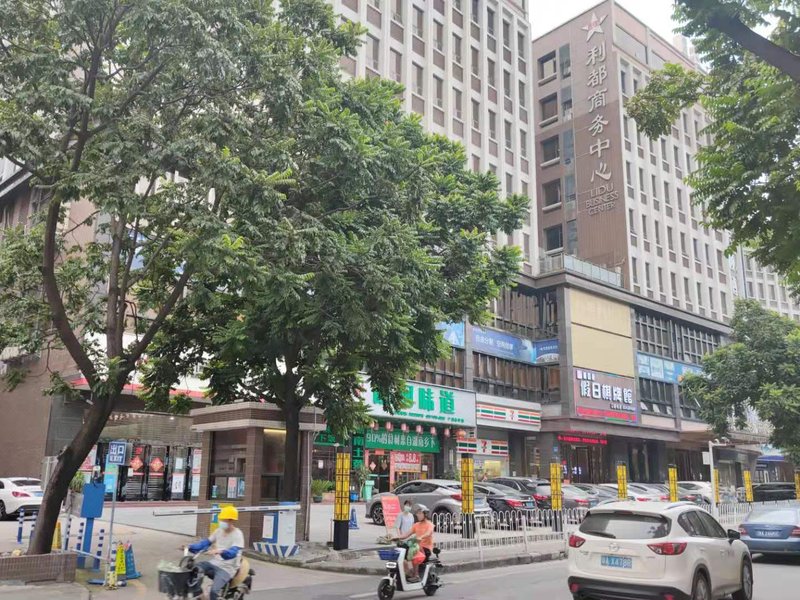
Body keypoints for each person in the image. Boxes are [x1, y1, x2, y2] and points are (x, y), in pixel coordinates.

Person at [186, 506, 245, 600]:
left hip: (227, 568)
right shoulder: (218, 531)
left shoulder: (238, 534)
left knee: (214, 592)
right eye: (221, 519)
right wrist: (189, 547)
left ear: (231, 520)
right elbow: (205, 543)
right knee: (195, 570)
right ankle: (199, 595)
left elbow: (233, 552)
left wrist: (220, 551)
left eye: (223, 520)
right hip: (214, 563)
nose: (221, 522)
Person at [395, 504, 434, 583]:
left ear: (425, 514)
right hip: (415, 547)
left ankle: (416, 576)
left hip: (425, 549)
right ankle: (409, 573)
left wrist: (421, 537)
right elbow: (406, 535)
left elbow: (428, 533)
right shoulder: (416, 525)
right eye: (417, 513)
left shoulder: (430, 524)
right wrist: (396, 538)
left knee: (416, 552)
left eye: (420, 513)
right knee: (401, 552)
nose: (418, 515)